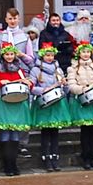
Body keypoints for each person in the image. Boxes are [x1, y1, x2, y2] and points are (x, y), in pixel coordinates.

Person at [0, 43, 33, 176]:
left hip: (18, 104)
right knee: (5, 134)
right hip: (3, 104)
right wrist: (1, 82)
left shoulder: (20, 70)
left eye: (11, 54)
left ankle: (14, 164)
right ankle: (7, 164)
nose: (9, 57)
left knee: (15, 134)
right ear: (3, 55)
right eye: (7, 54)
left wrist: (28, 83)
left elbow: (28, 86)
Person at [66, 42, 93, 169]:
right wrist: (81, 89)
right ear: (79, 53)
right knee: (85, 130)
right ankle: (85, 157)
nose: (86, 54)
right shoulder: (73, 68)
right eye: (83, 52)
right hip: (82, 100)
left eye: (88, 52)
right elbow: (71, 85)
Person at [29, 43, 72, 171]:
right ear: (43, 56)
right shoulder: (36, 70)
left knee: (55, 133)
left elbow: (65, 89)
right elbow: (31, 87)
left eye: (52, 55)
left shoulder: (58, 70)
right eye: (47, 55)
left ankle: (55, 157)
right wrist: (44, 89)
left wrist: (65, 85)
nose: (49, 57)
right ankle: (46, 158)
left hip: (57, 103)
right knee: (45, 133)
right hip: (44, 104)